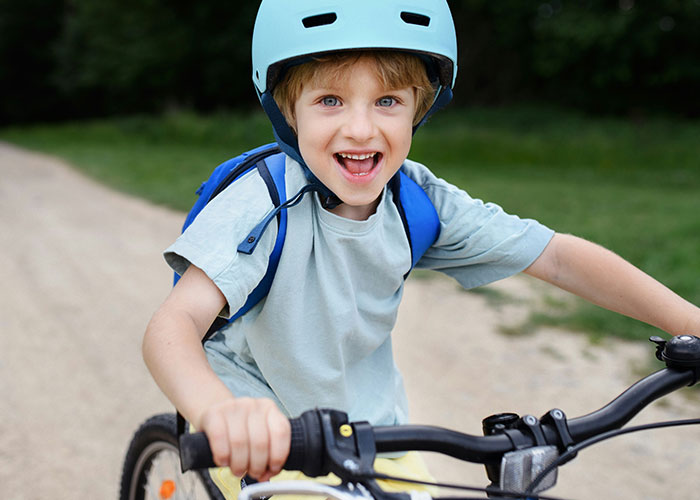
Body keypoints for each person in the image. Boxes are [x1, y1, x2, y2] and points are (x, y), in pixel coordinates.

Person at [142, 0, 700, 497]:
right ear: (289, 111)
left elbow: (554, 256)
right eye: (330, 100)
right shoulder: (261, 201)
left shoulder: (417, 201)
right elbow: (171, 329)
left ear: (420, 108)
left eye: (387, 100)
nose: (360, 128)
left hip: (372, 432)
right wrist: (221, 413)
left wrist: (691, 321)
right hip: (263, 430)